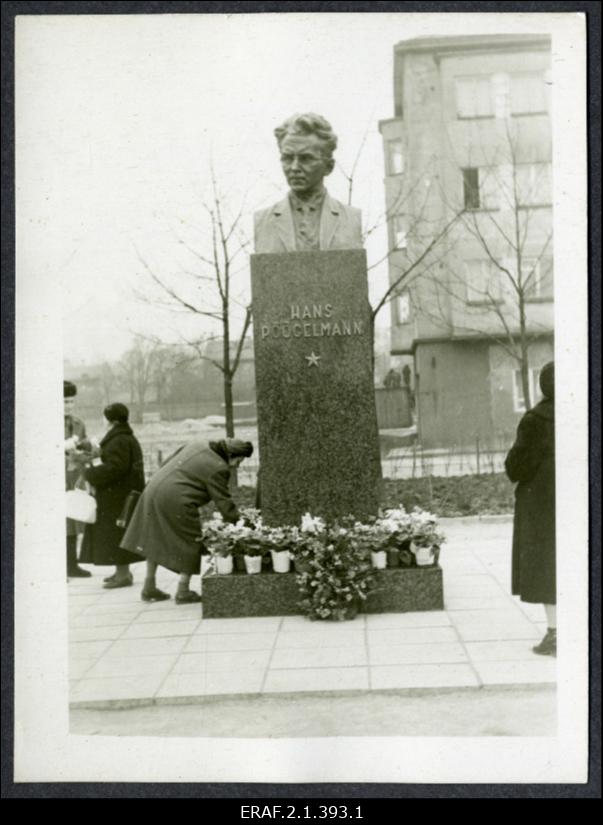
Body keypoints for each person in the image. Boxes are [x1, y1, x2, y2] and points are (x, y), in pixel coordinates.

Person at [120, 438, 254, 604]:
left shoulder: (198, 444)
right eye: (238, 461)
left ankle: (149, 586)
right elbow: (223, 503)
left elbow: (168, 462)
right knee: (191, 541)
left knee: (153, 537)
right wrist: (243, 525)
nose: (237, 466)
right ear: (231, 454)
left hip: (152, 491)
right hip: (175, 499)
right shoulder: (219, 468)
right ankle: (183, 591)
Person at [254, 113, 363, 253]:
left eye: (305, 159)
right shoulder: (262, 221)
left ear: (328, 167)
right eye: (287, 158)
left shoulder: (351, 219)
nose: (294, 167)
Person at [505, 362, 556, 656]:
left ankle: (555, 634)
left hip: (542, 505)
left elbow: (517, 466)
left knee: (547, 567)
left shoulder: (535, 420)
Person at [79, 403, 146, 589]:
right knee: (117, 533)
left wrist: (91, 474)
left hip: (117, 498)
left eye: (105, 417)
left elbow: (115, 468)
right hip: (120, 495)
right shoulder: (124, 437)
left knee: (116, 534)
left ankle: (123, 575)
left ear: (113, 421)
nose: (103, 420)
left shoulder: (119, 440)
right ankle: (121, 571)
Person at [64, 380, 92, 578]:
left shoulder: (78, 423)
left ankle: (72, 564)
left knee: (72, 520)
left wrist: (86, 448)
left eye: (71, 402)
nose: (68, 406)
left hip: (73, 477)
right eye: (64, 402)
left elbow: (84, 447)